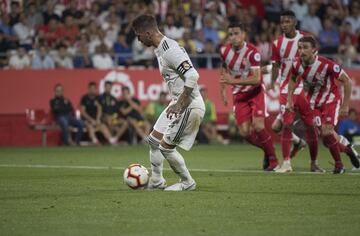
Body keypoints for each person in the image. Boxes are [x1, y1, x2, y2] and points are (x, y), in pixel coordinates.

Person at [132, 14, 205, 191]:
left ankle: (187, 183)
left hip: (189, 104)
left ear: (148, 33)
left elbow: (193, 76)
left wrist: (180, 104)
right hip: (178, 103)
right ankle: (156, 181)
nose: (138, 39)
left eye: (138, 35)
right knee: (153, 141)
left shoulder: (169, 50)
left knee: (165, 148)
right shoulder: (159, 49)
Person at [287, 36, 360, 174]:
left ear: (314, 49)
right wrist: (289, 99)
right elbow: (292, 79)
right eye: (300, 48)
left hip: (330, 101)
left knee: (327, 132)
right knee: (327, 138)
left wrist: (345, 105)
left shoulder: (327, 64)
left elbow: (347, 81)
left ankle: (339, 166)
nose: (301, 51)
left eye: (305, 48)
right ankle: (348, 151)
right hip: (313, 104)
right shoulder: (296, 64)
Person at [265, 10, 321, 173]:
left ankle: (314, 163)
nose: (284, 25)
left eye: (287, 22)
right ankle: (287, 163)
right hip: (285, 88)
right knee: (286, 125)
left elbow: (314, 61)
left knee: (311, 126)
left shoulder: (305, 39)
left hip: (304, 88)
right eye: (282, 22)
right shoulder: (277, 44)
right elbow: (275, 66)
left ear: (295, 22)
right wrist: (273, 82)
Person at [219, 21, 279, 171]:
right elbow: (224, 70)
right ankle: (267, 149)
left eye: (236, 33)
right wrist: (222, 91)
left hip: (255, 93)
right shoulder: (224, 51)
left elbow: (256, 79)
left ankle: (274, 160)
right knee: (245, 133)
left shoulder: (253, 52)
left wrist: (233, 81)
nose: (233, 37)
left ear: (243, 34)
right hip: (239, 96)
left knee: (258, 126)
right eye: (230, 34)